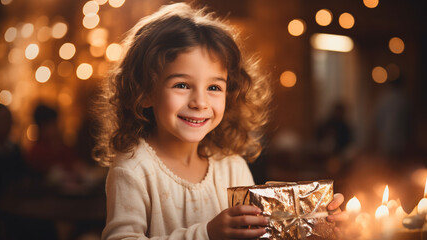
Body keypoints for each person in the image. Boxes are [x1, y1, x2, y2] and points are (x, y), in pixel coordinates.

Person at [93, 3, 345, 239]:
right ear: (145, 92)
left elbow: (259, 231)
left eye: (214, 87)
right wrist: (206, 234)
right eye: (181, 85)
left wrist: (319, 220)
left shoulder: (231, 166)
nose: (200, 102)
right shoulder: (134, 169)